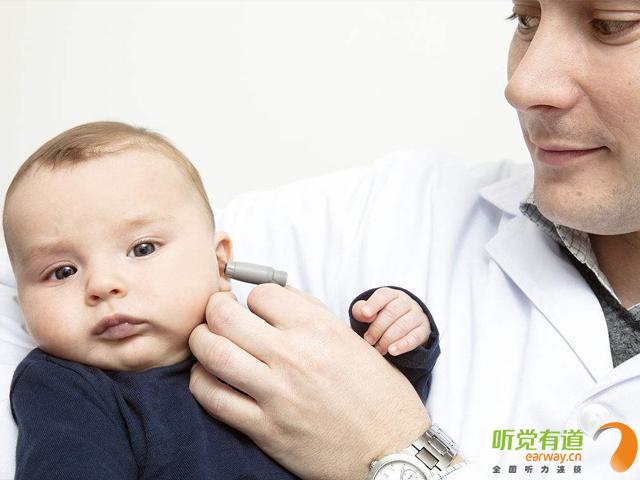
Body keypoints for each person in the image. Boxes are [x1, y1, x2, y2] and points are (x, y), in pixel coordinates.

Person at [183, 1, 640, 479]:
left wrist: (396, 451)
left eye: (611, 25)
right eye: (526, 19)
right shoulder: (402, 210)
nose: (521, 86)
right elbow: (138, 241)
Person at [3, 122, 440, 479]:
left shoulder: (266, 340)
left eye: (142, 249)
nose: (102, 285)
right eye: (62, 272)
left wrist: (393, 335)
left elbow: (375, 410)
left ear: (218, 262)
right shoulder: (64, 386)